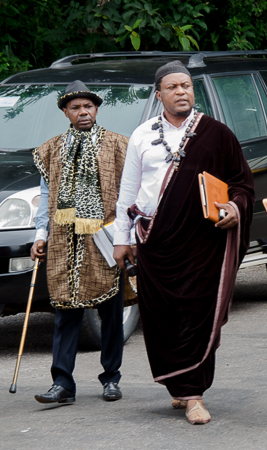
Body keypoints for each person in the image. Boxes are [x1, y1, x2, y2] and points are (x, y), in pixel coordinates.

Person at [113, 61, 254, 425]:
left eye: (187, 86)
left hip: (203, 244)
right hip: (155, 242)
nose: (181, 92)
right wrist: (121, 239)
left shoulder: (217, 133)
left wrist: (236, 209)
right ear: (158, 94)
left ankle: (194, 395)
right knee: (162, 318)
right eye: (173, 87)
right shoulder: (142, 136)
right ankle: (178, 384)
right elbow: (128, 192)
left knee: (196, 314)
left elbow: (242, 183)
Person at [31, 81, 133, 405]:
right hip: (64, 240)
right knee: (65, 314)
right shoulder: (50, 149)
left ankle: (111, 378)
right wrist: (40, 236)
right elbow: (46, 198)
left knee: (111, 313)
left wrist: (129, 236)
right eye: (75, 107)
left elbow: (131, 193)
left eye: (88, 106)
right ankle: (62, 384)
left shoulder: (118, 145)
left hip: (106, 241)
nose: (83, 112)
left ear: (97, 108)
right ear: (65, 112)